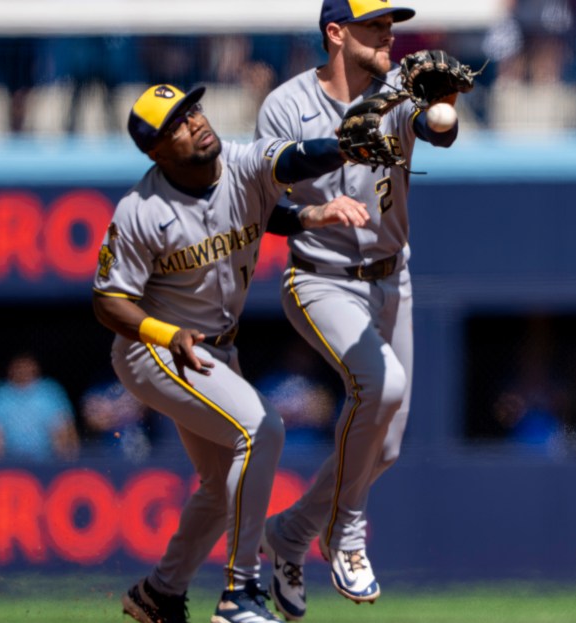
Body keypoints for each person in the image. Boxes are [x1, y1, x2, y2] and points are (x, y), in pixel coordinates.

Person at [92, 83, 369, 623]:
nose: (194, 122)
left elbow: (286, 167)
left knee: (224, 489)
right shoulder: (141, 210)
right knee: (262, 428)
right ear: (155, 151)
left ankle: (160, 594)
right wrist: (164, 334)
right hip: (156, 349)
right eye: (176, 122)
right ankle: (240, 592)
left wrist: (338, 155)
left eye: (192, 109)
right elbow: (108, 301)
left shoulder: (238, 163)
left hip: (218, 349)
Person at [253, 0, 466, 617]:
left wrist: (443, 108)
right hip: (322, 279)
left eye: (390, 25)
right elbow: (257, 202)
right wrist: (312, 207)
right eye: (374, 26)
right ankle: (346, 532)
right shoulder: (287, 104)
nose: (388, 35)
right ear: (336, 34)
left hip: (390, 277)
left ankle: (290, 534)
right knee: (384, 384)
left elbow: (439, 131)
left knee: (388, 445)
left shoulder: (399, 89)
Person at [0, 352, 79, 461]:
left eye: (27, 366)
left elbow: (66, 427)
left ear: (36, 368)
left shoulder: (50, 391)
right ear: (10, 369)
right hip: (8, 461)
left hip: (47, 460)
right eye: (19, 367)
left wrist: (68, 460)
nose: (23, 370)